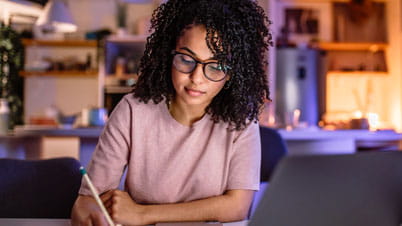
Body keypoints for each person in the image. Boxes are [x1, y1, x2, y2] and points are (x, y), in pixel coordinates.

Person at [71, 0, 272, 225]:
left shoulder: (241, 123)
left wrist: (142, 214)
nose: (197, 78)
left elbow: (237, 207)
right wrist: (88, 211)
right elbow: (90, 200)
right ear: (168, 54)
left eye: (215, 66)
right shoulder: (133, 110)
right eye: (186, 60)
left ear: (233, 74)